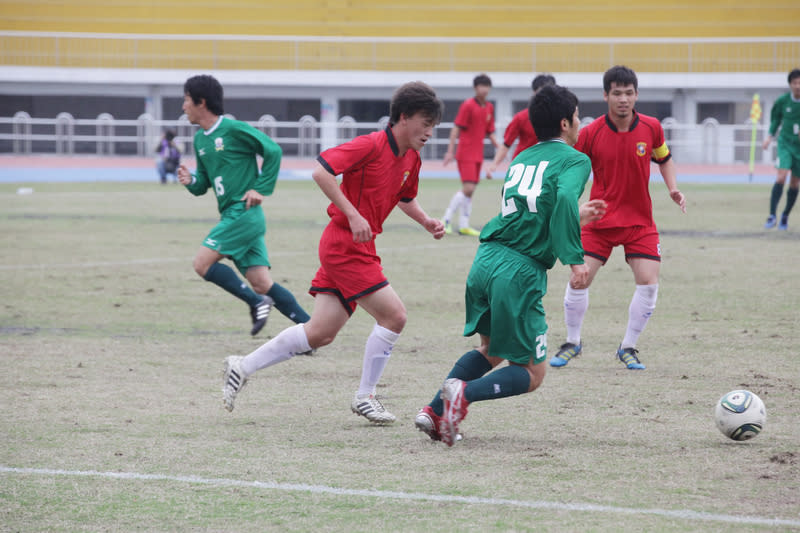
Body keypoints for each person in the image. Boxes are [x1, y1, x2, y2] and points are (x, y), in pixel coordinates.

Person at [221, 81, 446, 424]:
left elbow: (405, 197)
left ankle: (242, 366)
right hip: (344, 246)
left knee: (320, 334)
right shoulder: (370, 145)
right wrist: (353, 214)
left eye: (434, 125)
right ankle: (365, 396)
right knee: (394, 316)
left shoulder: (411, 158)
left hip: (358, 246)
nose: (430, 131)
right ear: (403, 117)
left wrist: (426, 220)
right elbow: (321, 171)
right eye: (425, 123)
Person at [415, 84, 607, 446]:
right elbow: (563, 196)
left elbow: (529, 213)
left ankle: (433, 410)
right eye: (578, 116)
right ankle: (461, 395)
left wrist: (576, 216)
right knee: (533, 372)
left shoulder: (522, 157)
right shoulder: (576, 159)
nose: (581, 123)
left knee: (493, 350)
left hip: (486, 259)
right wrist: (575, 259)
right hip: (518, 271)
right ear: (566, 123)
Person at [548, 65, 686, 371]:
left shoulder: (651, 128)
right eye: (616, 93)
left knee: (649, 282)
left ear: (636, 95)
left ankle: (628, 347)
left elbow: (664, 159)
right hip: (599, 221)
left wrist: (673, 188)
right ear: (606, 95)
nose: (623, 99)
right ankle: (572, 342)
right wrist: (571, 202)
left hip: (639, 222)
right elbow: (572, 168)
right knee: (579, 277)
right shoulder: (590, 133)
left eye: (628, 93)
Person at [177, 74, 310, 337]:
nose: (183, 107)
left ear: (201, 102)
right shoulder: (200, 139)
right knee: (261, 282)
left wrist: (261, 188)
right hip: (234, 214)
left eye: (186, 100)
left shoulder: (234, 129)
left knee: (202, 264)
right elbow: (204, 182)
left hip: (243, 212)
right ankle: (312, 331)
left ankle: (257, 303)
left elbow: (273, 150)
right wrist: (191, 180)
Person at [442, 73, 499, 236]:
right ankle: (445, 220)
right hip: (465, 153)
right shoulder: (468, 105)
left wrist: (500, 147)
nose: (485, 89)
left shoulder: (489, 107)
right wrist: (450, 151)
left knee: (471, 191)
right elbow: (456, 129)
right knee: (468, 188)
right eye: (482, 86)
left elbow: (490, 132)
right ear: (475, 88)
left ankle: (464, 225)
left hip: (478, 155)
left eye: (487, 86)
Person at [487, 73, 556, 176]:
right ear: (534, 92)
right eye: (542, 91)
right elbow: (506, 144)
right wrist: (494, 165)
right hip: (523, 166)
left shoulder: (558, 117)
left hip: (547, 166)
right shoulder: (521, 117)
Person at [762, 68, 800, 231]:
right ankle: (772, 215)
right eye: (795, 83)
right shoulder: (783, 101)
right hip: (785, 143)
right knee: (781, 176)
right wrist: (769, 136)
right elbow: (775, 119)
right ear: (790, 84)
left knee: (794, 182)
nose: (798, 86)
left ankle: (785, 215)